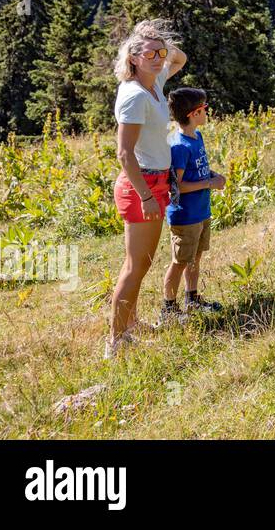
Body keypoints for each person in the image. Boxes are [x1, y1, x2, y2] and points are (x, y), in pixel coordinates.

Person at [107, 20, 186, 359]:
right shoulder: (135, 95)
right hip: (143, 184)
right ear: (133, 58)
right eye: (150, 53)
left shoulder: (154, 83)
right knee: (136, 265)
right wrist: (147, 196)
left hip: (156, 181)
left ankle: (131, 322)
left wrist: (152, 34)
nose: (159, 57)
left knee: (144, 261)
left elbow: (180, 58)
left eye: (161, 52)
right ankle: (116, 340)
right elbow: (124, 153)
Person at [161, 87, 226, 325]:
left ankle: (192, 299)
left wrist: (214, 175)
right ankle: (168, 308)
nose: (207, 112)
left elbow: (200, 169)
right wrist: (209, 182)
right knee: (179, 262)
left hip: (201, 211)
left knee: (195, 258)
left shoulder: (196, 137)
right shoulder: (179, 146)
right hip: (185, 216)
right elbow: (176, 187)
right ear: (193, 113)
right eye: (204, 108)